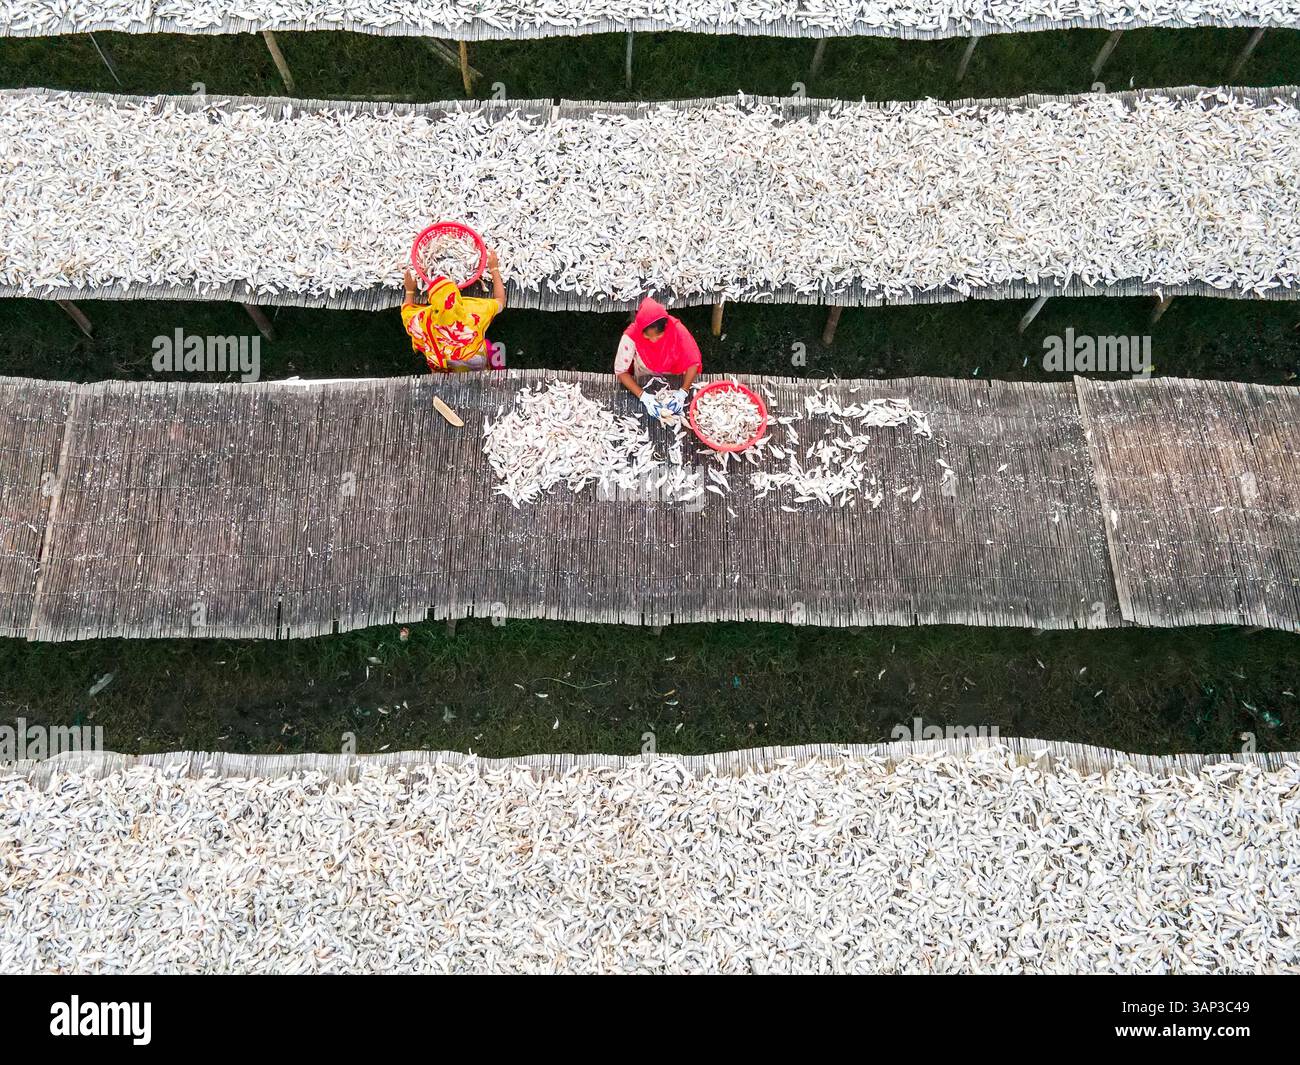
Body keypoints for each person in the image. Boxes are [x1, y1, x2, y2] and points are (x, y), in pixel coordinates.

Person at [401, 249, 506, 372]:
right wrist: (494, 269)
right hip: (476, 361)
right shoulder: (474, 313)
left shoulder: (422, 320)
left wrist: (410, 291)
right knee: (498, 348)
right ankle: (499, 375)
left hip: (445, 368)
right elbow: (500, 300)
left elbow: (406, 313)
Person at [615, 297, 702, 418]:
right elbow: (621, 371)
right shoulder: (631, 336)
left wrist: (683, 392)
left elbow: (693, 361)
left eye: (659, 335)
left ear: (666, 327)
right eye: (647, 337)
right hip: (643, 375)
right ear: (640, 330)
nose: (654, 340)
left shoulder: (676, 330)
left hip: (674, 376)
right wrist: (643, 396)